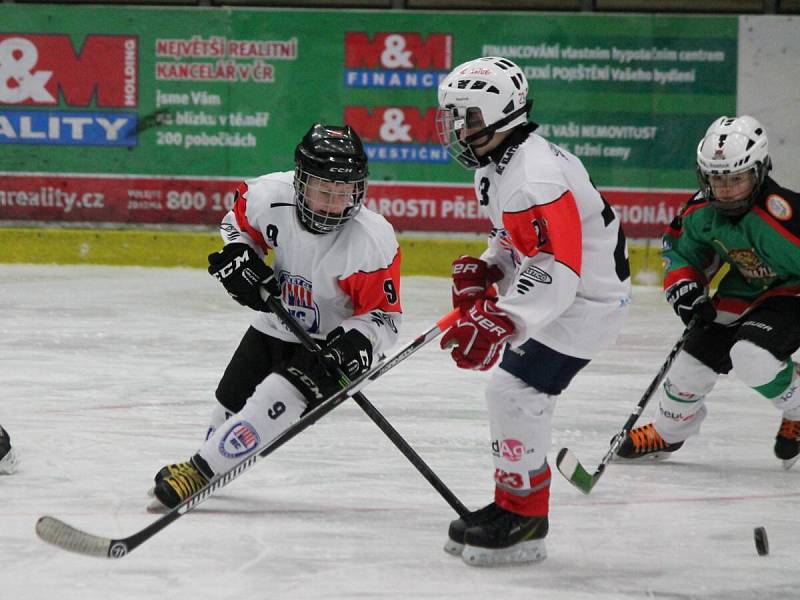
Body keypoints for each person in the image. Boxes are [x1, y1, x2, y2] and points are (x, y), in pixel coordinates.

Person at [434, 56, 632, 566]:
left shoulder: (535, 176)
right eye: (455, 116)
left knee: (516, 389)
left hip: (588, 303)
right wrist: (489, 269)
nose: (459, 127)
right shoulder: (499, 163)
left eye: (469, 116)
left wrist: (507, 317)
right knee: (511, 390)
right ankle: (515, 505)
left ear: (503, 112)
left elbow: (558, 265)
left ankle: (525, 516)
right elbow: (514, 240)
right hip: (565, 293)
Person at [150, 123, 402, 509]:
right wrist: (240, 255)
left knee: (276, 394)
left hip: (329, 347)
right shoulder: (267, 196)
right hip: (276, 319)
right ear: (301, 181)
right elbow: (236, 226)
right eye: (323, 190)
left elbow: (384, 317)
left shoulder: (371, 240)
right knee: (228, 399)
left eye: (343, 192)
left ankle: (197, 472)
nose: (334, 203)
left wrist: (357, 343)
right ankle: (207, 461)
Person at [616, 115, 800, 470]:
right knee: (690, 365)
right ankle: (668, 433)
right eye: (716, 179)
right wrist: (685, 286)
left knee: (751, 356)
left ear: (759, 172)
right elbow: (682, 251)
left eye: (736, 179)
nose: (725, 189)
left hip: (793, 293)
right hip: (743, 291)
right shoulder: (702, 212)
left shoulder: (786, 216)